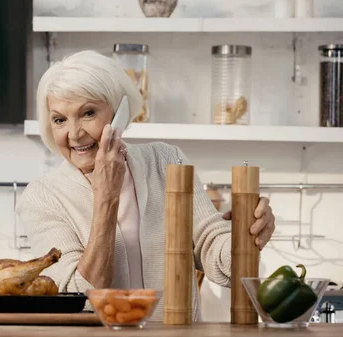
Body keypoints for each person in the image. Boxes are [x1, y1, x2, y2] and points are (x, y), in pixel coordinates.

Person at [15, 50, 276, 321]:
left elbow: (216, 256)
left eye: (88, 113)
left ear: (119, 111)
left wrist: (249, 233)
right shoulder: (41, 198)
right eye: (59, 119)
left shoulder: (166, 161)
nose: (74, 133)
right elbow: (77, 299)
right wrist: (106, 197)